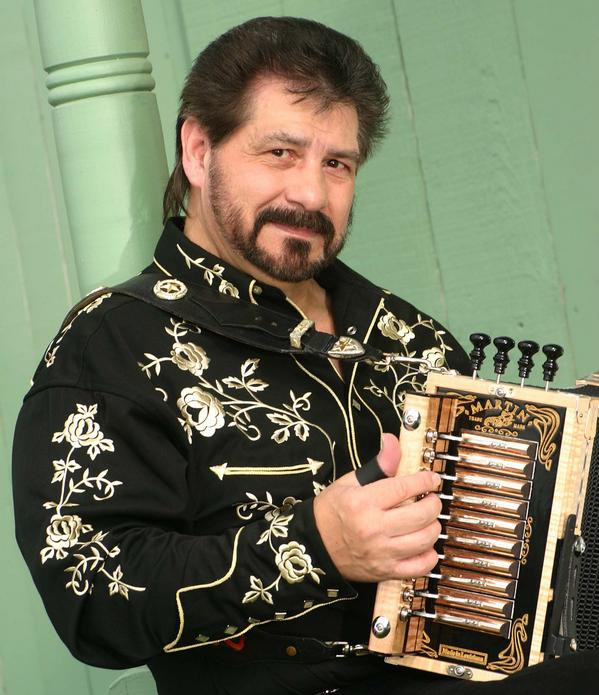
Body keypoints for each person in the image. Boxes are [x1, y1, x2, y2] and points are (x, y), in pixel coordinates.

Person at [12, 16, 597, 695]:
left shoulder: (413, 340)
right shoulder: (111, 343)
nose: (311, 195)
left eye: (336, 164)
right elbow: (89, 600)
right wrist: (318, 544)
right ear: (198, 151)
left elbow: (508, 571)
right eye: (280, 153)